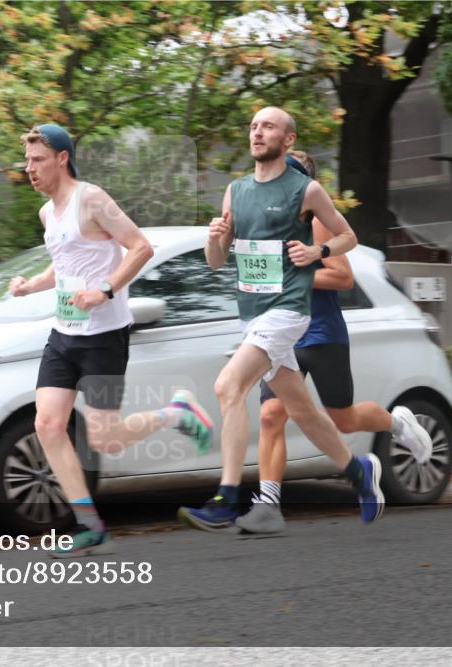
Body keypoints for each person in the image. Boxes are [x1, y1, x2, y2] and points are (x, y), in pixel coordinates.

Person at [10, 124, 213, 557]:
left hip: (103, 337)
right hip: (64, 335)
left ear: (62, 158)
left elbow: (140, 247)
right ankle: (88, 524)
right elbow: (63, 265)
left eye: (38, 160)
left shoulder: (93, 199)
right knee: (47, 425)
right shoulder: (48, 213)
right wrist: (32, 286)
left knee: (104, 440)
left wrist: (103, 291)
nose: (29, 169)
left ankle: (176, 413)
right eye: (27, 161)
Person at [178, 107, 384, 532]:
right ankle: (357, 472)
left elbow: (348, 236)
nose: (257, 132)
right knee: (302, 409)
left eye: (267, 126)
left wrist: (317, 253)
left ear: (287, 140)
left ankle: (227, 497)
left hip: (289, 310)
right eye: (253, 126)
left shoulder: (305, 190)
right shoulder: (236, 191)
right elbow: (216, 263)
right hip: (251, 313)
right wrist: (214, 240)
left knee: (228, 386)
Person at [228, 150, 434, 535]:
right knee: (272, 414)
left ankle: (396, 421)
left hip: (319, 332)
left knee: (342, 418)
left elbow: (341, 278)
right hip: (278, 333)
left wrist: (295, 271)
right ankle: (268, 504)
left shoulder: (318, 223)